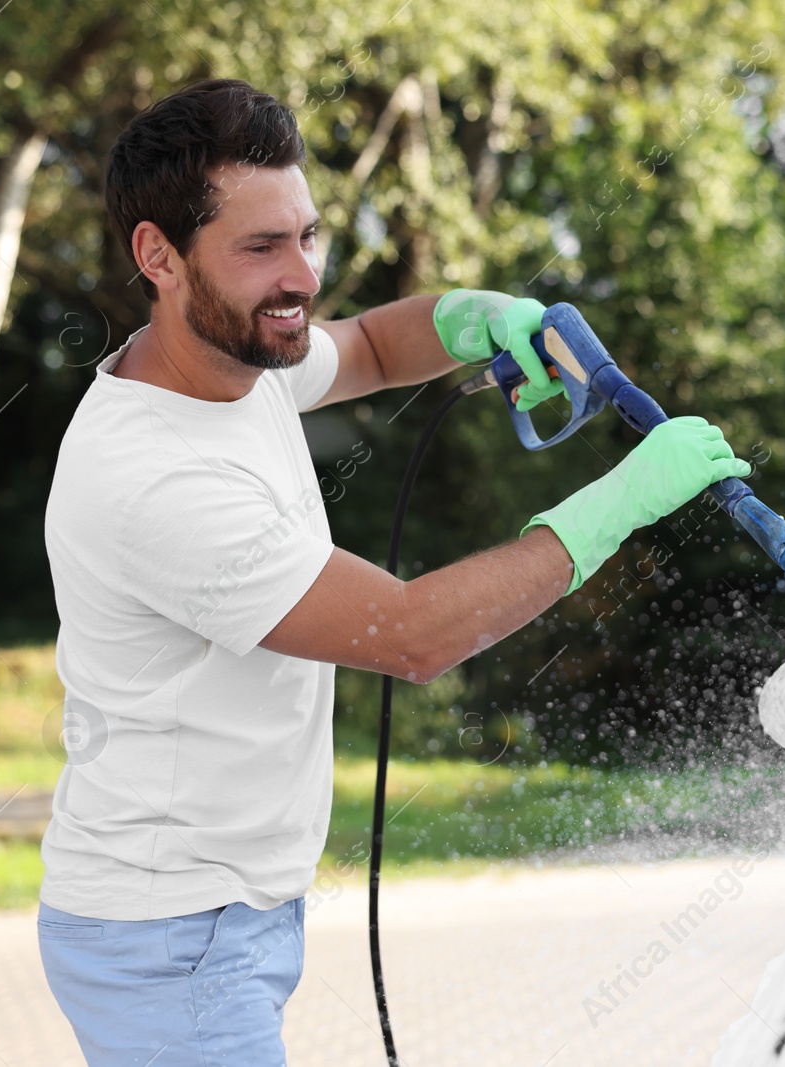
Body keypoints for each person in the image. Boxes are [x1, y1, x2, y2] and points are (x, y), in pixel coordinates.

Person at [38, 78, 749, 1066]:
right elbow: (412, 634)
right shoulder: (154, 476)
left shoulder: (236, 358)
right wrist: (622, 502)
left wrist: (476, 317)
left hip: (221, 912)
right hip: (168, 936)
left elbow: (370, 345)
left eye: (308, 236)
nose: (300, 277)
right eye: (260, 247)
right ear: (157, 254)